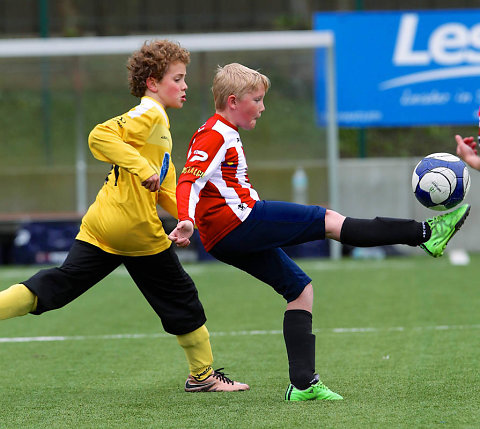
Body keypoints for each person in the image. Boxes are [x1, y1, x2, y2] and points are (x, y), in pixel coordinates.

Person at [168, 63, 471, 401]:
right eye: (257, 99)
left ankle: (302, 384)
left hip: (226, 235)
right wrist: (186, 218)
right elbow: (187, 179)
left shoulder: (220, 130)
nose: (263, 107)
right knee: (331, 222)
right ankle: (426, 232)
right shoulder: (215, 133)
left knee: (299, 289)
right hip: (240, 222)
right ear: (234, 100)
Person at [0, 41, 248, 393]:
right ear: (152, 83)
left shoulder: (158, 128)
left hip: (102, 223)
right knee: (181, 297)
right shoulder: (150, 113)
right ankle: (203, 376)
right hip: (134, 229)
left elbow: (163, 187)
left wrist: (187, 218)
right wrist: (141, 165)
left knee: (59, 284)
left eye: (184, 79)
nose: (185, 86)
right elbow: (99, 135)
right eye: (177, 78)